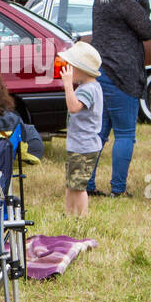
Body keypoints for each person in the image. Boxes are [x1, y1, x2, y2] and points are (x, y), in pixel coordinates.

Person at [87, 0, 151, 198]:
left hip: (102, 71)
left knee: (99, 133)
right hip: (122, 74)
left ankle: (87, 184)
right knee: (125, 133)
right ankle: (118, 189)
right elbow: (147, 30)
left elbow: (139, 24)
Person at [59, 43, 104, 217]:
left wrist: (68, 85)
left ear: (81, 70)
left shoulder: (89, 89)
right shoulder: (91, 87)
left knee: (78, 187)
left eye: (71, 67)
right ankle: (69, 214)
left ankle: (82, 217)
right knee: (71, 184)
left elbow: (73, 107)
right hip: (78, 145)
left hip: (84, 147)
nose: (68, 70)